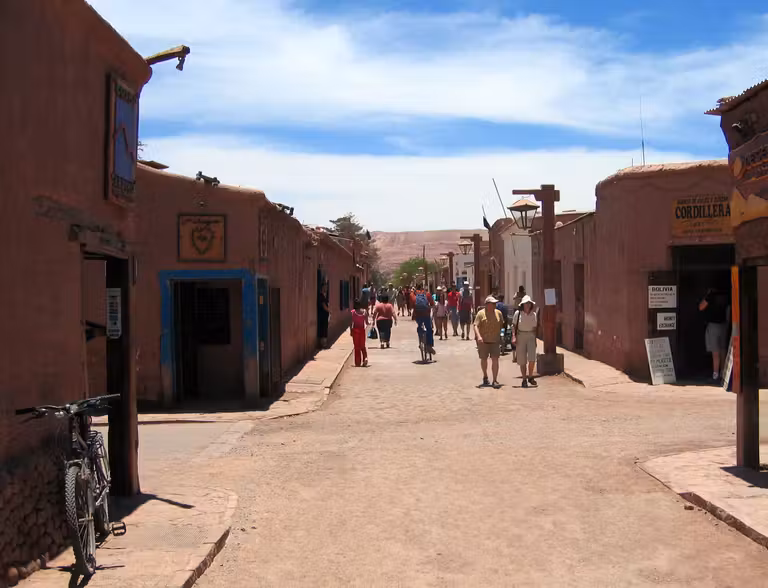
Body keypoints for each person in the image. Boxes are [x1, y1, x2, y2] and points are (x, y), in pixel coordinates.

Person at [699, 288, 730, 380]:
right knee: (723, 349)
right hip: (724, 325)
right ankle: (723, 373)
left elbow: (701, 307)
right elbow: (729, 310)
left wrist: (707, 295)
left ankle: (715, 374)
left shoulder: (711, 295)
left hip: (713, 325)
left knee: (715, 351)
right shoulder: (726, 295)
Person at [474, 295, 504, 387]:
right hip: (484, 342)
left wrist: (502, 336)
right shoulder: (480, 314)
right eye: (493, 303)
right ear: (487, 305)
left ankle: (495, 380)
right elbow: (475, 325)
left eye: (495, 303)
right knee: (484, 359)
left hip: (495, 341)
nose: (495, 305)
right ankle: (485, 376)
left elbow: (502, 326)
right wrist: (478, 336)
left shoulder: (498, 313)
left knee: (495, 359)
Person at [512, 295, 538, 388]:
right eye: (525, 303)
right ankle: (524, 379)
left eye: (528, 303)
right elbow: (513, 326)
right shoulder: (517, 314)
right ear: (522, 305)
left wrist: (535, 340)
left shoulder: (533, 315)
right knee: (522, 359)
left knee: (532, 358)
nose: (527, 305)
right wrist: (514, 337)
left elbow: (535, 328)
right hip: (521, 336)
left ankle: (530, 376)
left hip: (531, 336)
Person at [412, 282, 436, 354]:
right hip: (426, 314)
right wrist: (430, 307)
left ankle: (421, 340)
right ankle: (429, 345)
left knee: (420, 326)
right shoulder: (427, 294)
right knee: (429, 328)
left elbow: (411, 305)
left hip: (418, 315)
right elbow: (432, 304)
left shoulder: (413, 295)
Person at [350, 299, 369, 367]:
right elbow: (366, 322)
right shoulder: (364, 312)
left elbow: (351, 323)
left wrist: (351, 331)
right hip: (362, 330)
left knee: (356, 347)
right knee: (363, 346)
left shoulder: (352, 312)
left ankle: (357, 362)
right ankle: (365, 358)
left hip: (355, 330)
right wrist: (370, 323)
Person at [317, 281, 330, 349]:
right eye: (325, 287)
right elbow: (324, 306)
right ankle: (323, 344)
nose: (326, 288)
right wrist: (329, 311)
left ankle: (324, 344)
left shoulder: (324, 296)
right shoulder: (321, 296)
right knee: (323, 329)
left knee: (325, 329)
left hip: (325, 316)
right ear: (322, 288)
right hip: (322, 316)